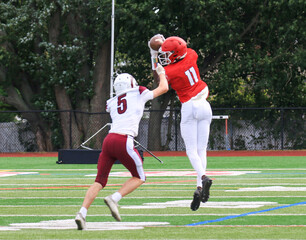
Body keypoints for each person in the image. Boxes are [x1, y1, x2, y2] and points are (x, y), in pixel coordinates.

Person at [75, 64, 168, 230]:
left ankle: (82, 213)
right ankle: (114, 198)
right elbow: (164, 88)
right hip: (123, 139)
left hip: (109, 139)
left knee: (99, 181)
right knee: (140, 176)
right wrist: (161, 73)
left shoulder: (111, 102)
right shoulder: (138, 92)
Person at [148, 35, 213, 211]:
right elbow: (178, 50)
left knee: (191, 150)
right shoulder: (191, 54)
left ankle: (204, 177)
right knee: (201, 150)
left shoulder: (170, 71)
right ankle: (200, 186)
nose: (165, 57)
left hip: (190, 107)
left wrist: (153, 52)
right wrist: (165, 46)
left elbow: (157, 79)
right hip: (205, 105)